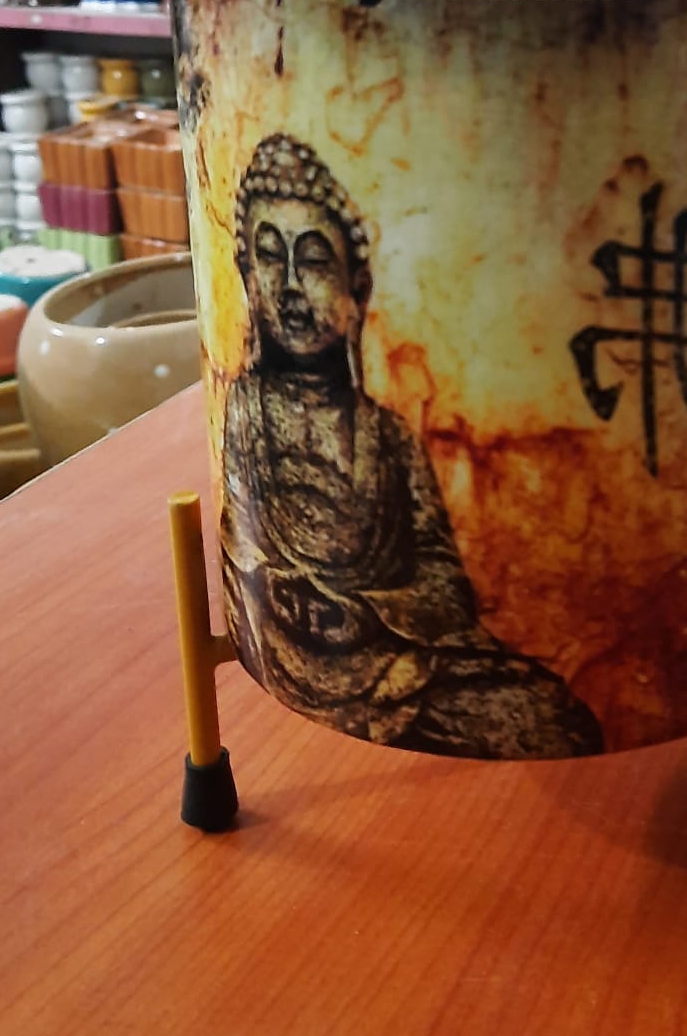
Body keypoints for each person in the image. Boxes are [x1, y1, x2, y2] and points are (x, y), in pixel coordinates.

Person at [220, 133, 603, 759]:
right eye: (269, 256)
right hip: (283, 640)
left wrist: (370, 612)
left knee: (548, 715)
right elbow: (241, 540)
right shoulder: (243, 408)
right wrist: (288, 590)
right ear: (245, 273)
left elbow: (445, 586)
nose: (289, 285)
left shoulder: (389, 438)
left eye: (313, 261)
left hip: (389, 662)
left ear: (357, 289)